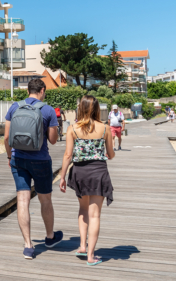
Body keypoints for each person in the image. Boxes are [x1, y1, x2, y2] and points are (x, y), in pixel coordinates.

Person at [4, 79, 63, 260]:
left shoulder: (14, 107)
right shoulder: (47, 110)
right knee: (45, 200)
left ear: (28, 90)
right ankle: (50, 237)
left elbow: (6, 137)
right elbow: (53, 140)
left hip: (18, 159)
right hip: (40, 160)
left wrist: (9, 157)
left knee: (22, 200)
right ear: (42, 90)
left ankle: (28, 245)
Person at [58, 95, 116, 266]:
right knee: (95, 214)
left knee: (83, 209)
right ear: (97, 108)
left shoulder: (73, 129)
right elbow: (111, 154)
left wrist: (62, 177)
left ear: (80, 108)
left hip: (79, 172)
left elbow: (68, 155)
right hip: (98, 173)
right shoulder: (105, 129)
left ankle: (83, 246)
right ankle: (91, 256)